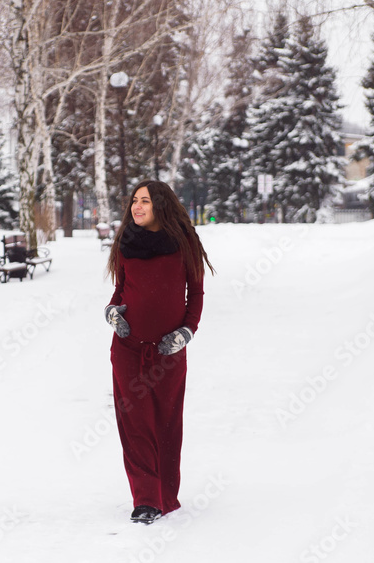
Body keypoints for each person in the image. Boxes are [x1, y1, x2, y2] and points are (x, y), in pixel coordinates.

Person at [104, 180, 214, 525]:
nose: (137, 207)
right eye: (134, 200)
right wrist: (111, 312)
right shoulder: (126, 244)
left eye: (145, 201)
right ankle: (146, 500)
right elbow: (120, 290)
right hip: (128, 348)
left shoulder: (184, 244)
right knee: (135, 423)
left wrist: (186, 331)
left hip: (169, 351)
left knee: (166, 423)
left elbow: (195, 295)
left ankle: (166, 494)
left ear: (161, 206)